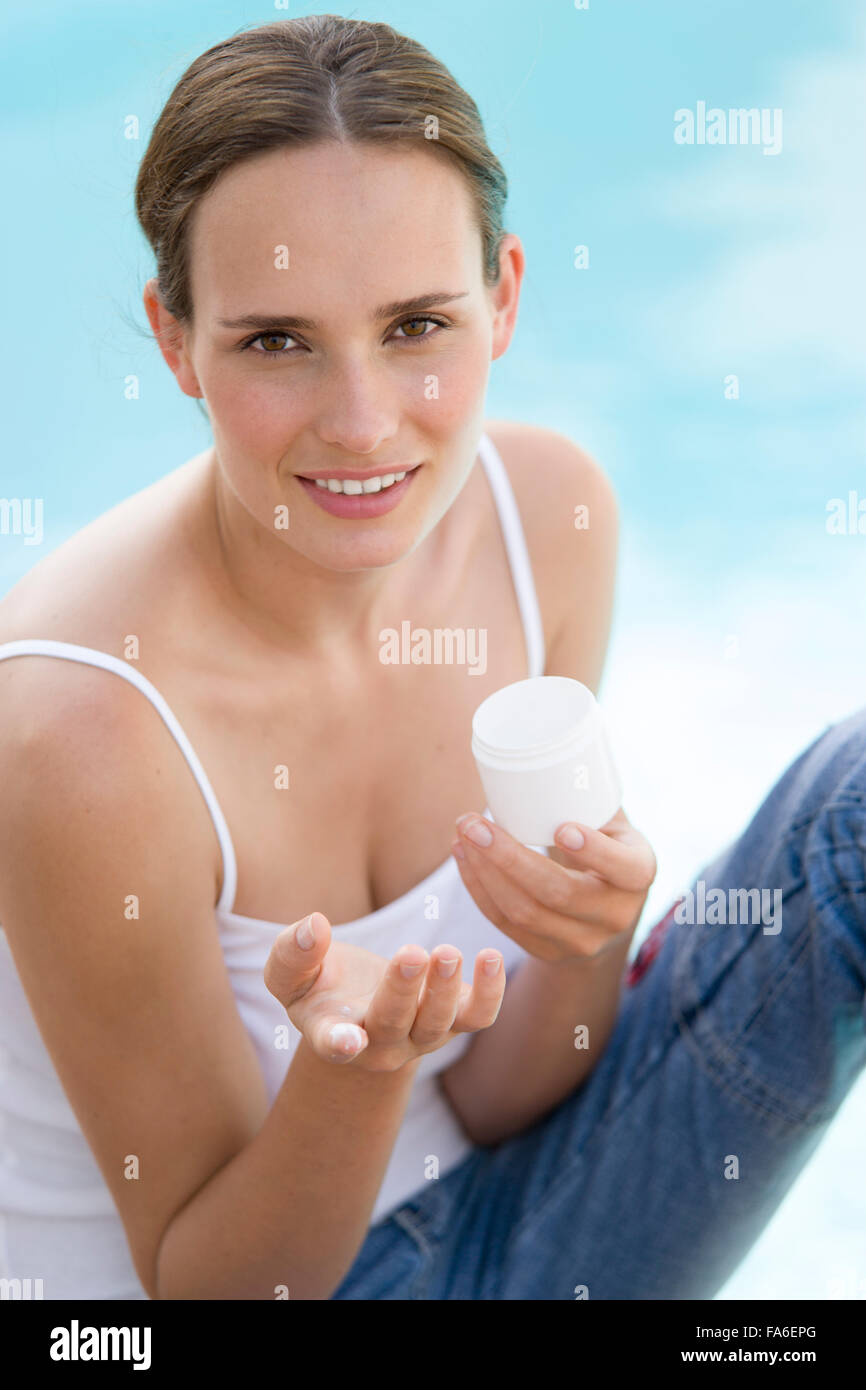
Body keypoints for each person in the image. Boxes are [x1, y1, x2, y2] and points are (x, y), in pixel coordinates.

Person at [0, 15, 863, 1302]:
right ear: (174, 339)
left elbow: (508, 1092)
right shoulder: (76, 729)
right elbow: (213, 1286)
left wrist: (579, 941)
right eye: (275, 340)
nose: (362, 425)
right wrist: (354, 1073)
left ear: (504, 295)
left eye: (416, 325)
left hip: (528, 1203)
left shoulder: (549, 525)